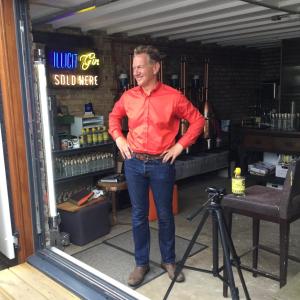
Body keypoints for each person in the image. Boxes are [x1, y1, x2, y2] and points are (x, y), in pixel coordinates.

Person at [109, 45, 205, 286]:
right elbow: (113, 117)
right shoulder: (128, 97)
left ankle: (168, 261)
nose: (136, 72)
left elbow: (197, 120)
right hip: (134, 163)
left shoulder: (173, 96)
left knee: (164, 216)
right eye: (134, 68)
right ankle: (141, 264)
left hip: (162, 164)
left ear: (155, 67)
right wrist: (119, 138)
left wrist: (180, 146)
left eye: (140, 66)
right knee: (138, 216)